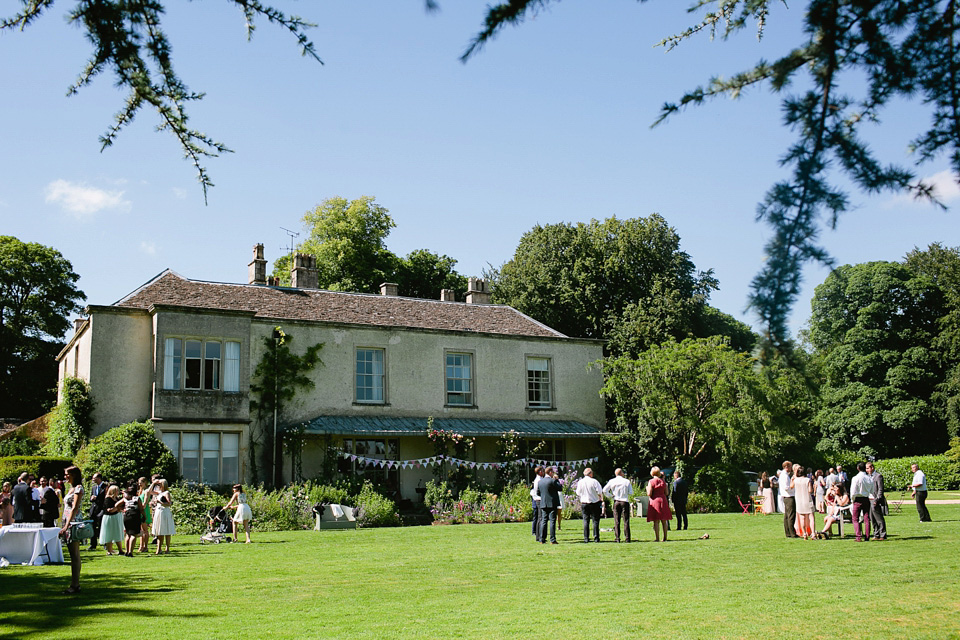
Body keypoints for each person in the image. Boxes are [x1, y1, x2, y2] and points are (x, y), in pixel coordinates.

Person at [60, 466, 85, 594]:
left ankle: (75, 585)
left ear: (74, 475)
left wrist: (66, 525)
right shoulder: (71, 488)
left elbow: (75, 508)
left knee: (74, 555)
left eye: (67, 474)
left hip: (73, 522)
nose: (65, 476)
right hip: (68, 521)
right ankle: (75, 583)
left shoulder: (78, 488)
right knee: (73, 554)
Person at [602, 468, 634, 543]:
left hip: (616, 501)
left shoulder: (612, 481)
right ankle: (627, 538)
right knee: (626, 520)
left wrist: (610, 496)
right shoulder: (626, 481)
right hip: (624, 501)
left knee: (617, 520)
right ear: (621, 473)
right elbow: (631, 492)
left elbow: (604, 490)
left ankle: (617, 538)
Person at [575, 468, 603, 543]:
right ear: (590, 473)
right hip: (594, 502)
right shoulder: (594, 481)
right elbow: (600, 491)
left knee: (586, 521)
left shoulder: (580, 482)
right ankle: (596, 537)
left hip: (584, 503)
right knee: (595, 521)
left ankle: (586, 538)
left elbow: (577, 492)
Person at [849, 462, 874, 542]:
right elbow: (872, 490)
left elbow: (853, 491)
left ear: (858, 468)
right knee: (867, 518)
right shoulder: (869, 478)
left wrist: (852, 499)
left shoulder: (855, 478)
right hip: (866, 498)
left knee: (855, 518)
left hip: (858, 498)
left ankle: (858, 536)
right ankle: (867, 536)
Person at [646, 467, 672, 542]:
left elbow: (649, 493)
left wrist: (647, 488)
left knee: (656, 520)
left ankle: (657, 538)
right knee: (664, 520)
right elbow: (667, 493)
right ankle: (665, 537)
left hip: (655, 500)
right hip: (663, 500)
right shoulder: (663, 481)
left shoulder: (651, 481)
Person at [537, 467, 562, 544]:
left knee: (544, 521)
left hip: (543, 503)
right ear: (550, 472)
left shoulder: (540, 482)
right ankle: (552, 539)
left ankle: (542, 539)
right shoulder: (553, 481)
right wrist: (557, 480)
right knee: (552, 521)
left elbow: (538, 493)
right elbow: (560, 488)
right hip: (552, 503)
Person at [150, 479, 176, 554]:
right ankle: (159, 548)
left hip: (164, 511)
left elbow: (169, 504)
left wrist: (160, 502)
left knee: (167, 530)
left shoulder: (166, 493)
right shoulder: (158, 492)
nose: (158, 486)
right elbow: (149, 491)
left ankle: (167, 548)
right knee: (159, 530)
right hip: (158, 511)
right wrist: (153, 483)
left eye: (159, 484)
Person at [98, 484, 125, 555]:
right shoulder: (108, 499)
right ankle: (109, 550)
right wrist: (116, 507)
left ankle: (120, 550)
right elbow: (109, 510)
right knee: (109, 533)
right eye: (116, 491)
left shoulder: (117, 498)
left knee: (117, 533)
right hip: (109, 518)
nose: (117, 492)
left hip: (117, 517)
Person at [792, 466, 815, 539]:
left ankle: (804, 533)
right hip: (807, 500)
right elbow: (810, 490)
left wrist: (793, 478)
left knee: (802, 518)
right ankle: (813, 533)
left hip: (799, 501)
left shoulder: (795, 480)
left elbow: (791, 486)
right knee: (811, 517)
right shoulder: (807, 480)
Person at [866, 462, 887, 540]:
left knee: (879, 518)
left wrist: (877, 499)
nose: (867, 470)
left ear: (872, 468)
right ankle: (876, 534)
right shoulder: (867, 477)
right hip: (869, 499)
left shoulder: (878, 476)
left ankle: (883, 534)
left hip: (875, 500)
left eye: (868, 468)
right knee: (872, 518)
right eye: (866, 468)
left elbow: (880, 489)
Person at [122, 484, 144, 557]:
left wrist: (122, 509)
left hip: (126, 515)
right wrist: (144, 516)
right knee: (134, 534)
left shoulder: (125, 498)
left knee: (128, 534)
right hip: (134, 516)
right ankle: (130, 552)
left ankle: (126, 551)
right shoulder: (137, 498)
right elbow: (141, 508)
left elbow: (116, 505)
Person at [777, 461, 797, 538]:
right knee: (791, 515)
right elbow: (786, 487)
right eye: (790, 466)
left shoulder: (783, 475)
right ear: (787, 467)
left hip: (786, 496)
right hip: (789, 496)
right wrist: (792, 485)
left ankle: (788, 532)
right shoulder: (784, 476)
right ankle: (792, 533)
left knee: (787, 515)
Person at [88, 472, 105, 550]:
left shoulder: (105, 487)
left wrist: (97, 498)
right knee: (93, 527)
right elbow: (91, 498)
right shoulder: (94, 488)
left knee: (102, 526)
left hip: (101, 509)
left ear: (99, 478)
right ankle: (93, 544)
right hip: (94, 509)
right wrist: (91, 498)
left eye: (94, 478)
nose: (93, 479)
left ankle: (105, 543)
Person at [137, 477, 154, 552]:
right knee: (141, 530)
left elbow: (145, 502)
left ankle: (145, 546)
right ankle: (141, 546)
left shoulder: (146, 491)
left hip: (144, 511)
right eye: (139, 482)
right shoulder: (140, 491)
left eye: (141, 482)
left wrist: (140, 508)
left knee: (145, 530)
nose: (139, 484)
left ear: (145, 483)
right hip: (140, 511)